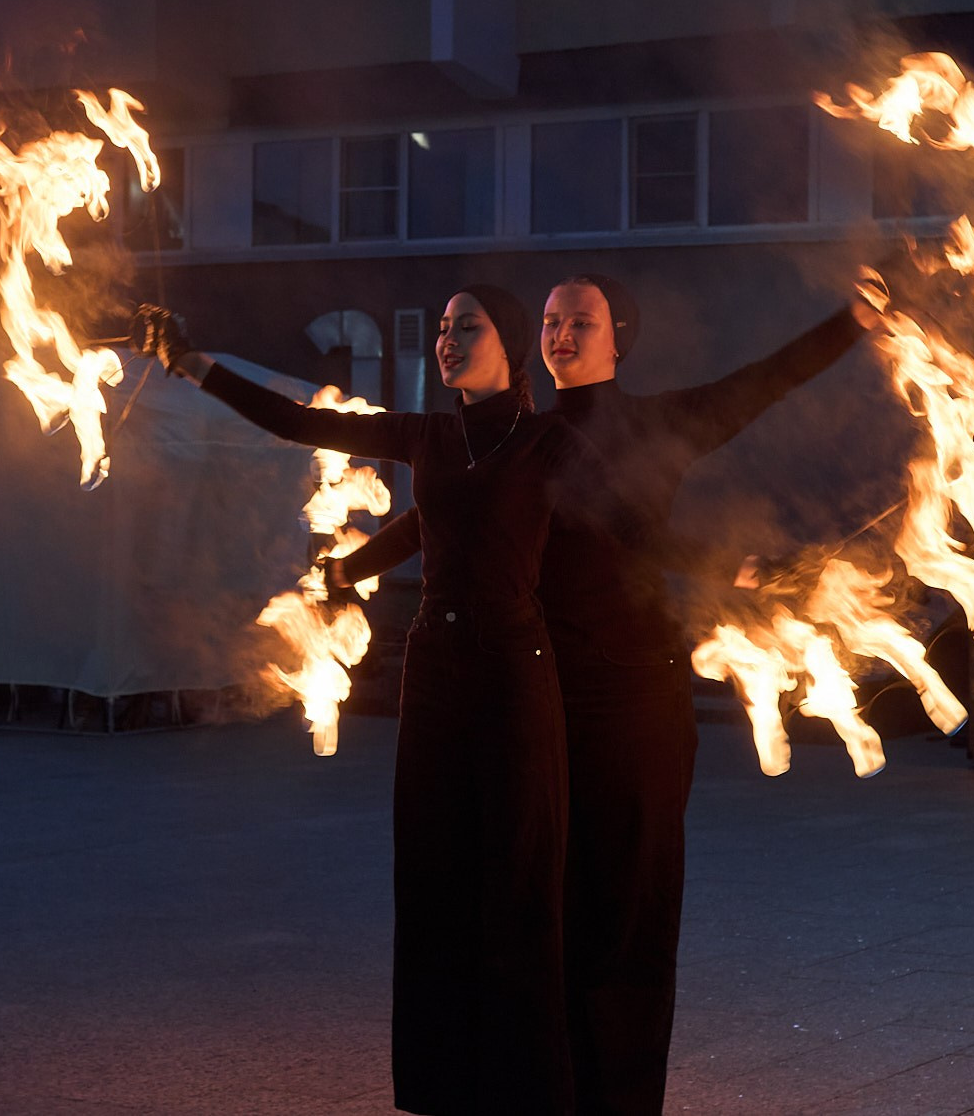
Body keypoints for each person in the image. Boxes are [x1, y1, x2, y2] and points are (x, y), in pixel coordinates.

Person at [333, 276, 862, 1116]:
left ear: (620, 339)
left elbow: (767, 380)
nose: (562, 333)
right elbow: (440, 515)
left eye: (583, 320)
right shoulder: (525, 434)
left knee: (624, 916)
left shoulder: (660, 424)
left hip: (631, 699)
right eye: (551, 320)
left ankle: (618, 1100)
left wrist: (853, 321)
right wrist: (349, 569)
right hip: (537, 698)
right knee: (539, 920)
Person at [128, 286, 610, 1116]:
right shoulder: (426, 435)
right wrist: (192, 363)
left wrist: (744, 572)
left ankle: (527, 1087)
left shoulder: (548, 442)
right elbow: (301, 426)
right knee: (432, 875)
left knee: (518, 877)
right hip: (437, 670)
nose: (449, 339)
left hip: (514, 671)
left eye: (469, 327)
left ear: (509, 346)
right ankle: (443, 1085)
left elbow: (634, 514)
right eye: (444, 328)